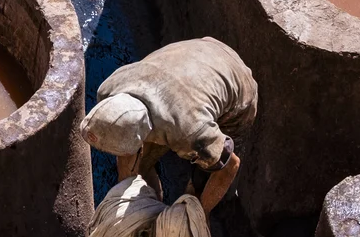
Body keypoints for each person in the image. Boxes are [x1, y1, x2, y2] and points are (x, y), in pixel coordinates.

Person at [81, 37, 257, 200]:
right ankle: (153, 201)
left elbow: (230, 165)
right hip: (192, 55)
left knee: (201, 183)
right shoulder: (108, 90)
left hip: (236, 84)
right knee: (140, 168)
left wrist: (201, 214)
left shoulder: (190, 131)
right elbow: (127, 162)